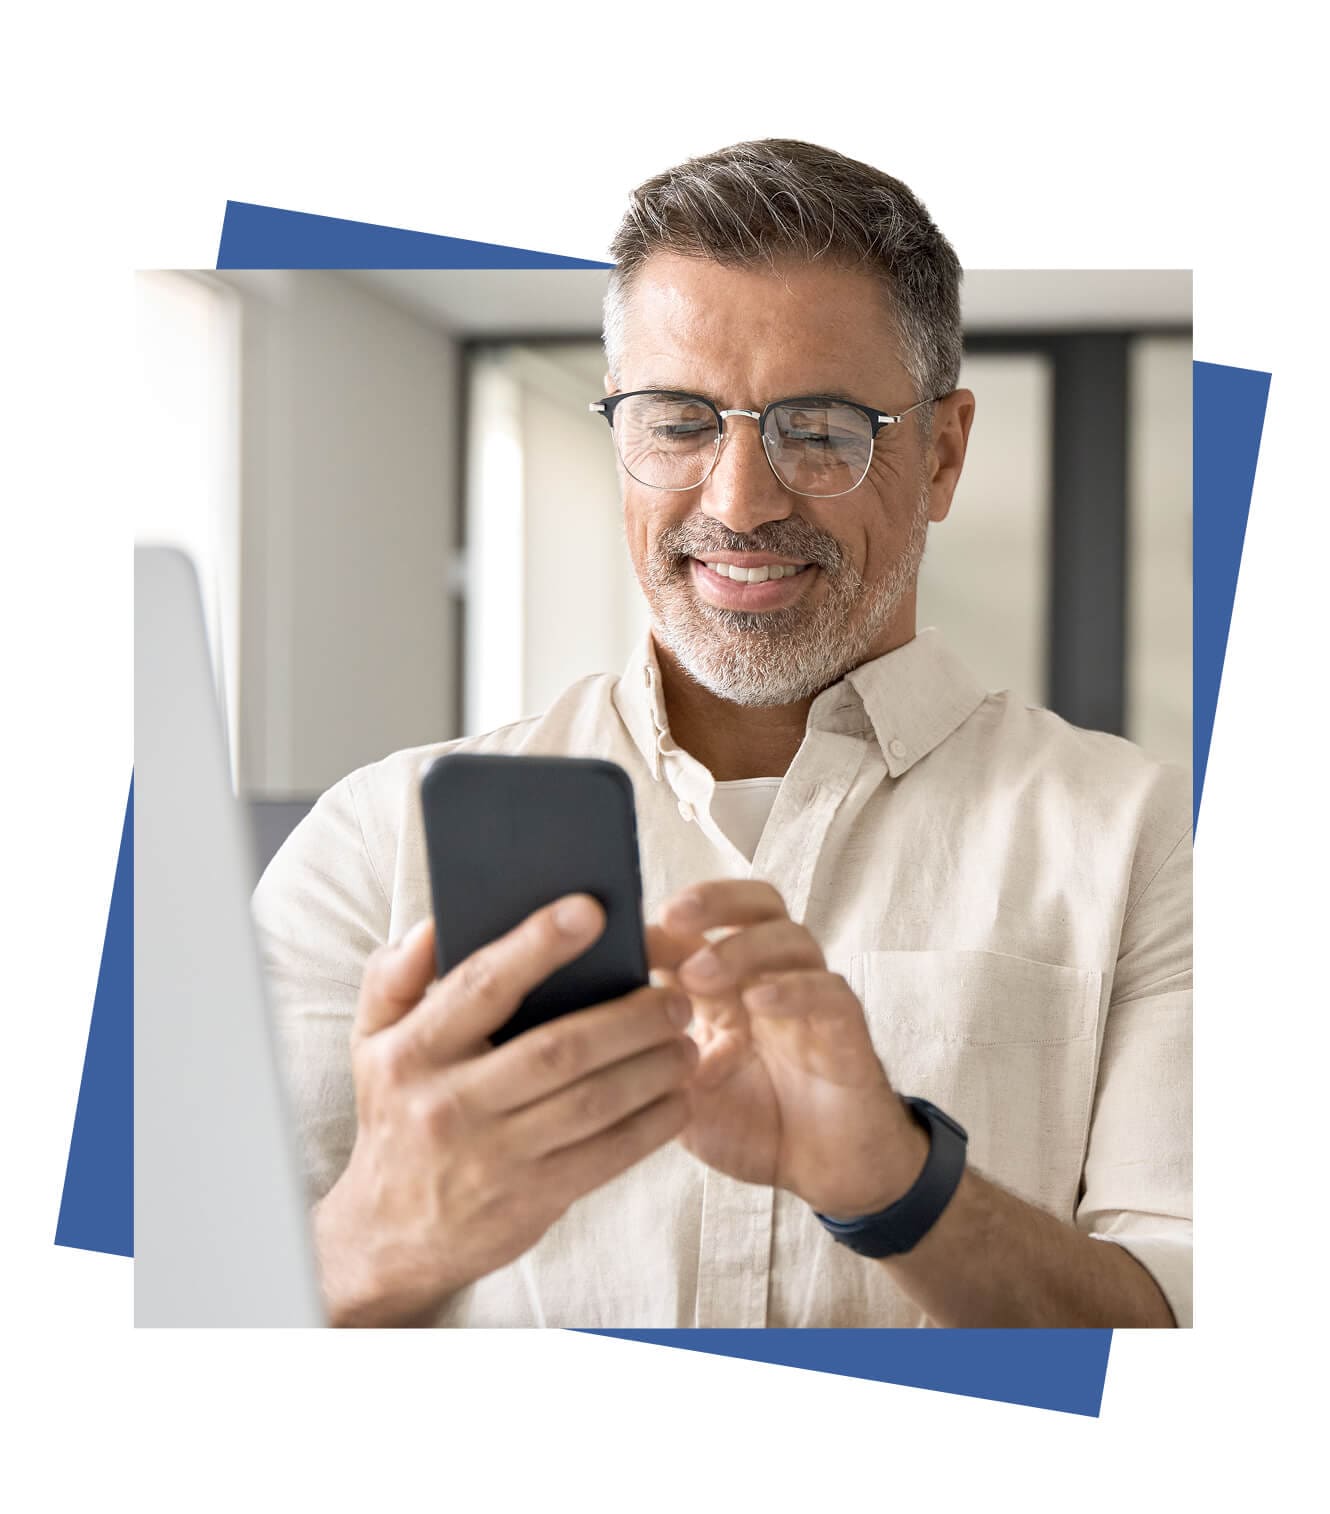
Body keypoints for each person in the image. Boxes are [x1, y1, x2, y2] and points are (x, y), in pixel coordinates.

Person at [254, 138, 1191, 1329]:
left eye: (820, 427)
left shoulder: (1148, 838)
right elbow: (160, 1349)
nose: (739, 501)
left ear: (942, 452)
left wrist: (897, 1185)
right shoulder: (376, 833)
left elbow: (1206, 1338)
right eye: (678, 420)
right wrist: (390, 1225)